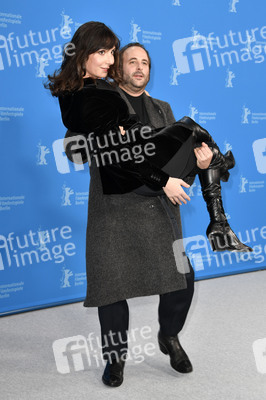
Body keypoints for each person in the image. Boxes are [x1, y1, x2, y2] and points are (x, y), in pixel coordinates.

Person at [45, 22, 252, 388]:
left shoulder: (163, 108)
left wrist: (200, 164)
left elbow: (177, 167)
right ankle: (116, 359)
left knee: (182, 283)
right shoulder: (96, 98)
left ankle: (168, 337)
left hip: (160, 210)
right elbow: (76, 151)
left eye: (146, 63)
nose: (138, 67)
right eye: (129, 60)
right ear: (119, 69)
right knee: (111, 290)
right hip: (115, 211)